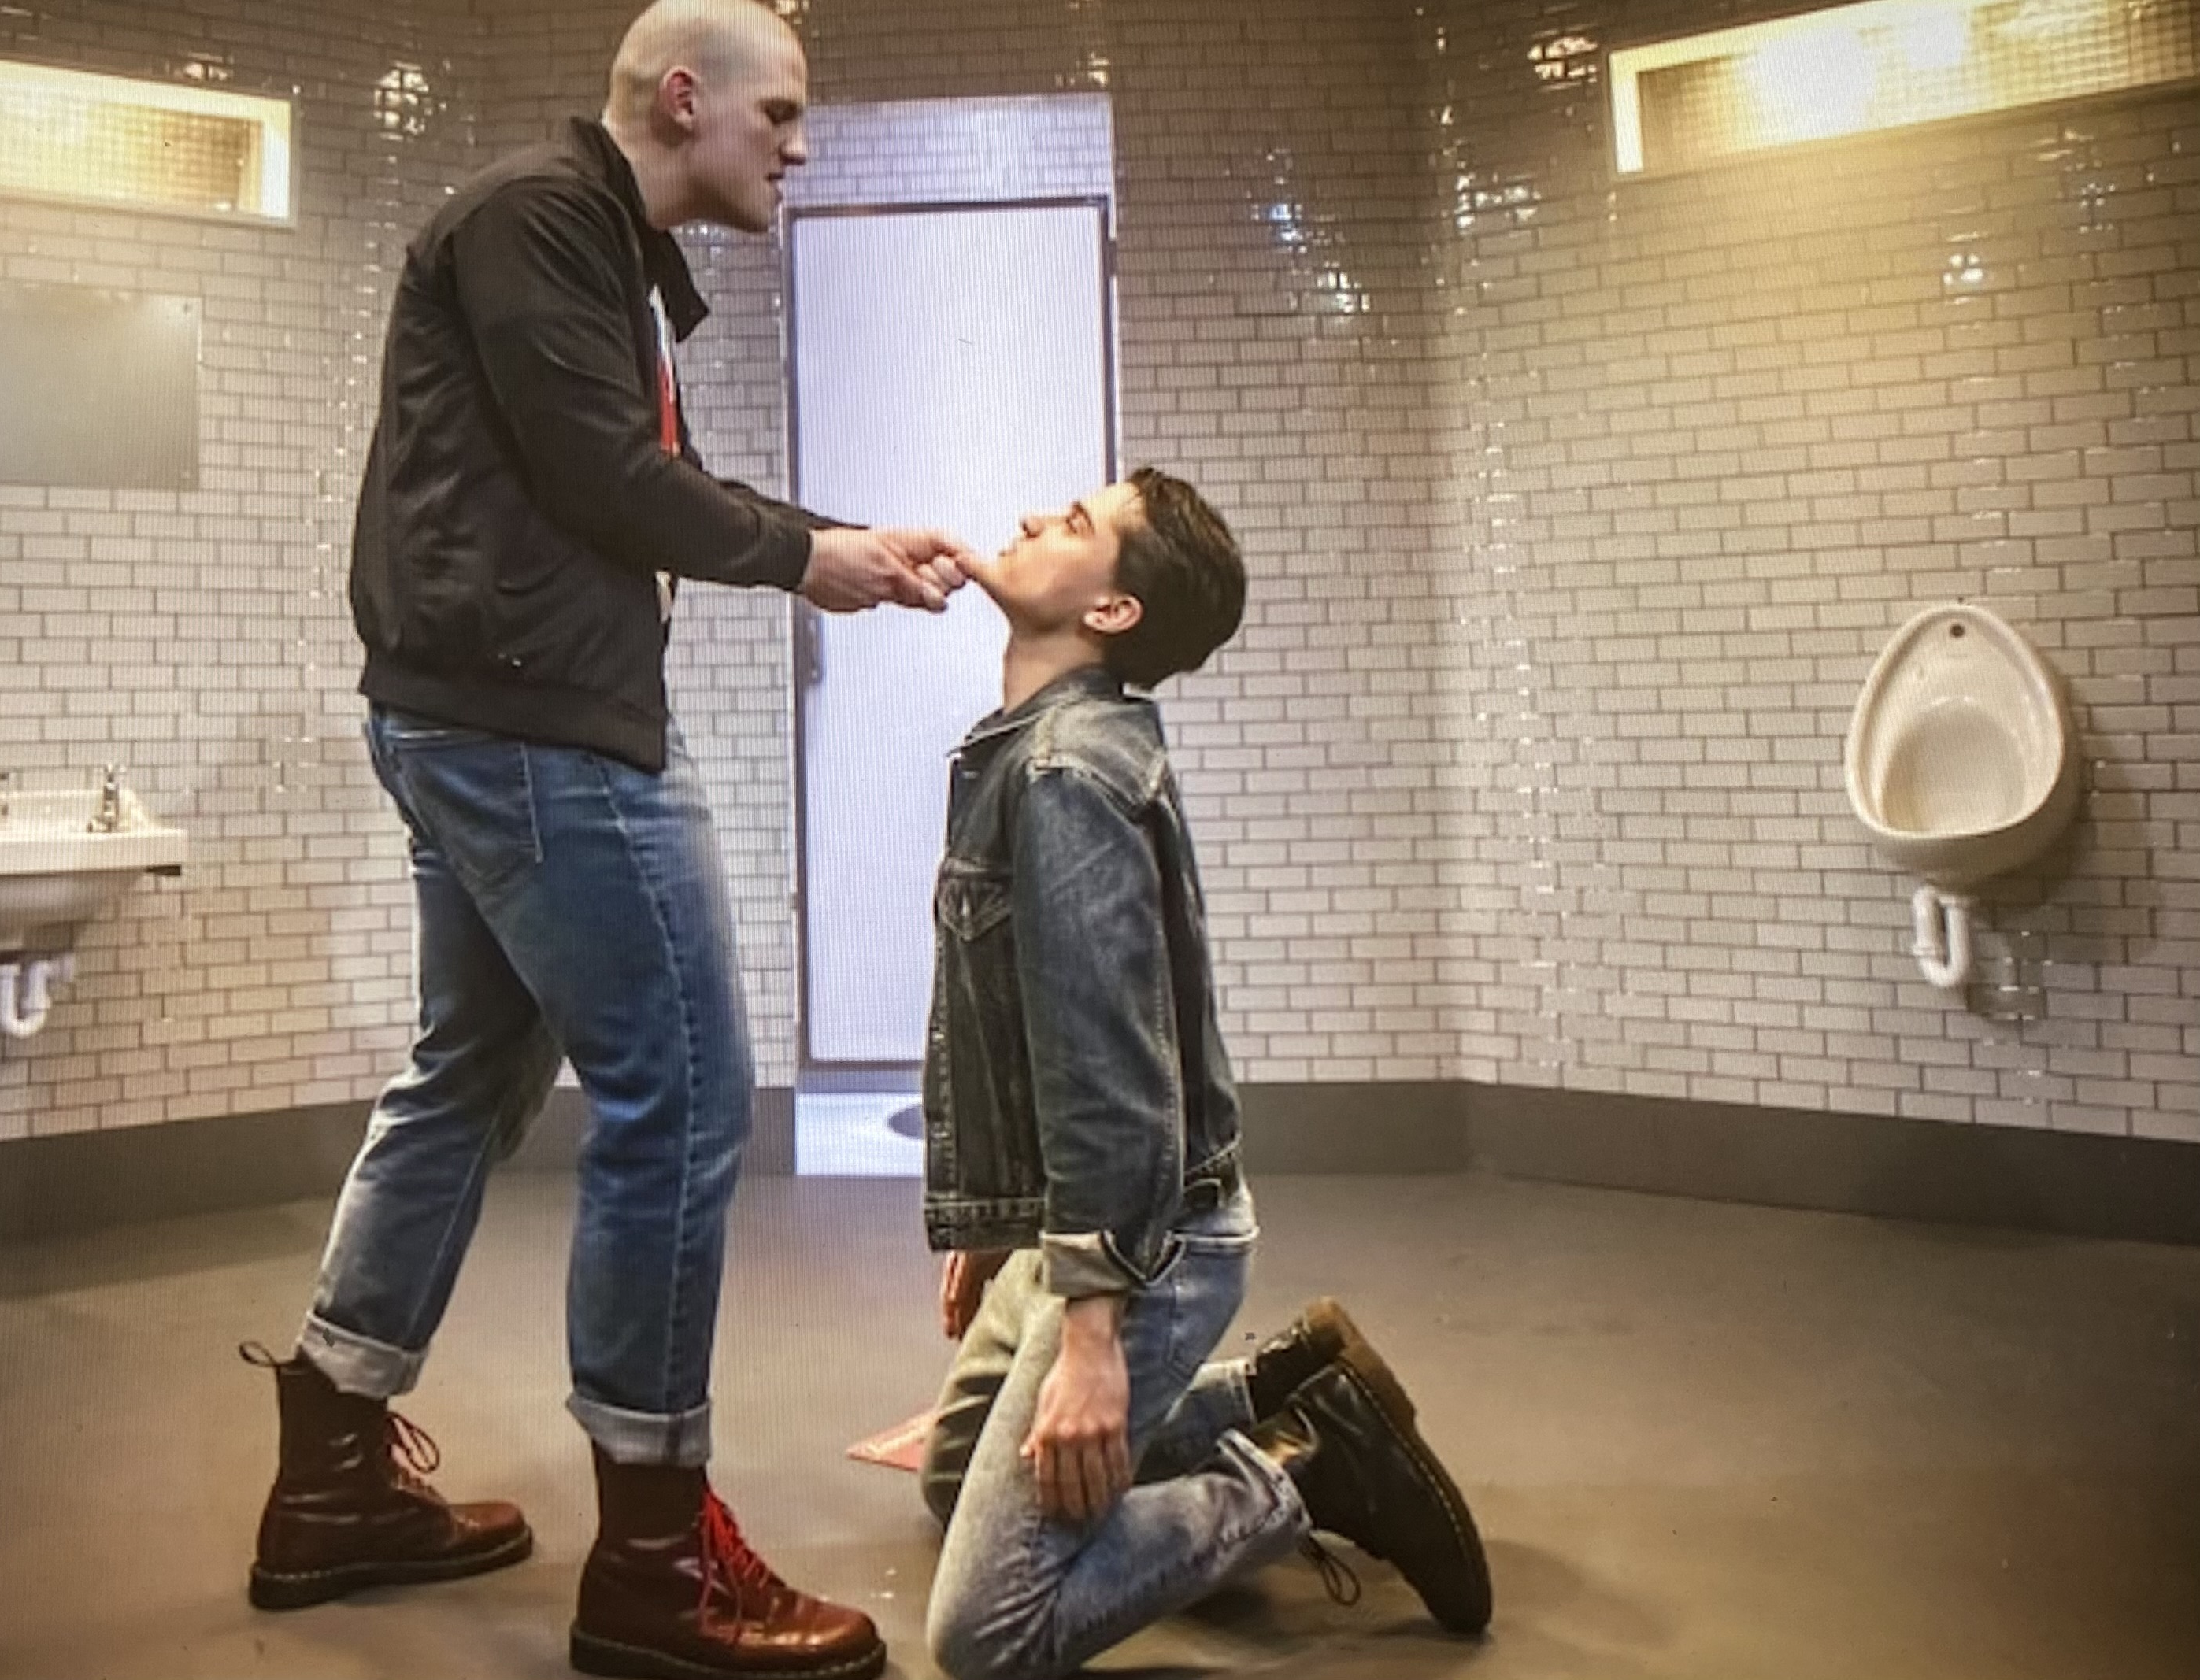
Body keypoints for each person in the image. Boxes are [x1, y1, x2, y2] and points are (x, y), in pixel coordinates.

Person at [241, 6, 966, 1679]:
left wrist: (840, 539)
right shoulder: (538, 216)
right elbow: (605, 478)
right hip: (538, 729)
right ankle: (653, 1561)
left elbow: (636, 469)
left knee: (471, 1073)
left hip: (485, 716)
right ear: (686, 98)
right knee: (687, 1090)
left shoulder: (596, 245)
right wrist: (809, 561)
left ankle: (333, 1467)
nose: (799, 145)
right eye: (782, 114)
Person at [912, 469, 1493, 1680]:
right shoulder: (1037, 749)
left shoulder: (1067, 776)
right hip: (1090, 1218)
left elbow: (1109, 1068)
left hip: (1147, 1247)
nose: (1032, 519)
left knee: (988, 1630)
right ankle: (1270, 1385)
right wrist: (1004, 1210)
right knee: (959, 1474)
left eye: (1076, 523)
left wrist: (1092, 1329)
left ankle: (1302, 1465)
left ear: (1111, 612)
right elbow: (1032, 1029)